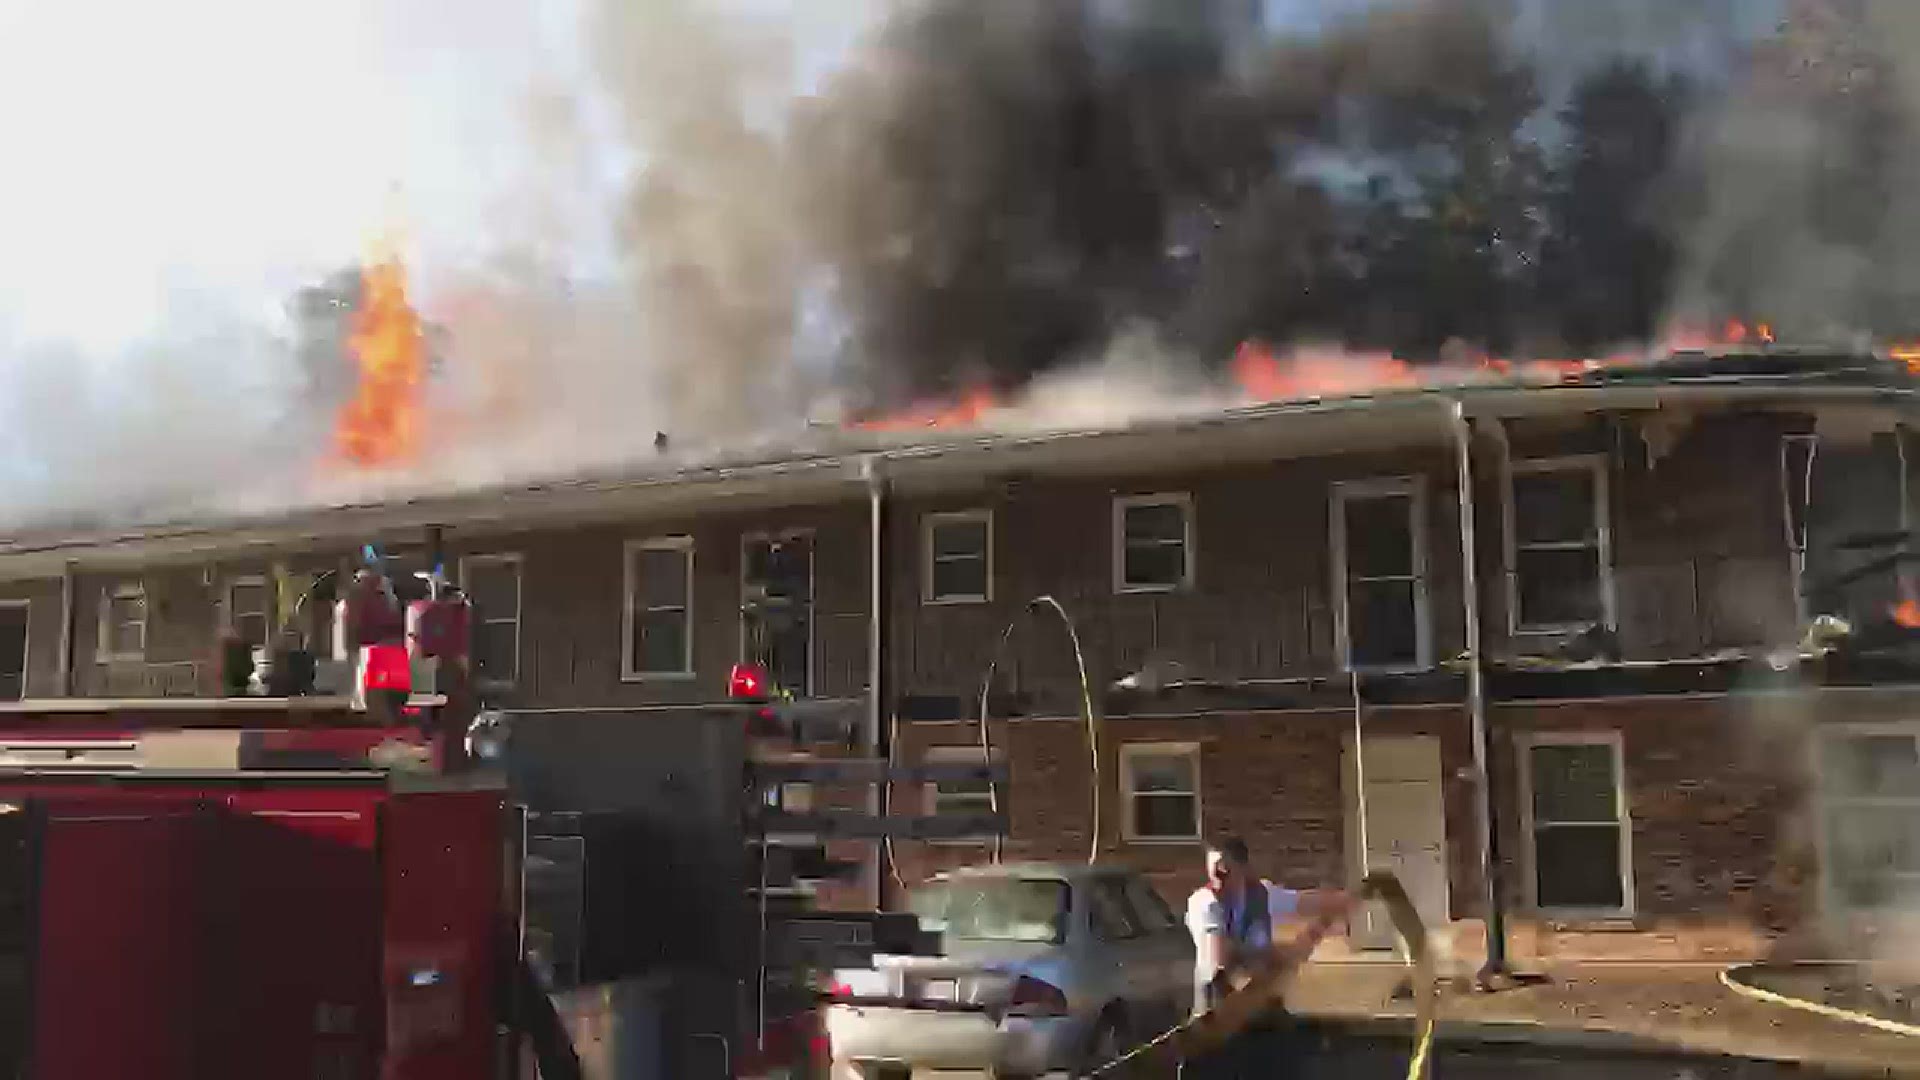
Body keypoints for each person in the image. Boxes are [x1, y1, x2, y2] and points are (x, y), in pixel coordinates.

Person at [1183, 835, 1355, 1077]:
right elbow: (1220, 960)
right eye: (1213, 873)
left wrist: (1345, 900)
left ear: (1243, 869)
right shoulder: (1205, 904)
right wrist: (1279, 955)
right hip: (1219, 1014)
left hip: (1263, 1015)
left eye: (1225, 871)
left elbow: (1305, 902)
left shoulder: (1261, 895)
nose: (1218, 879)